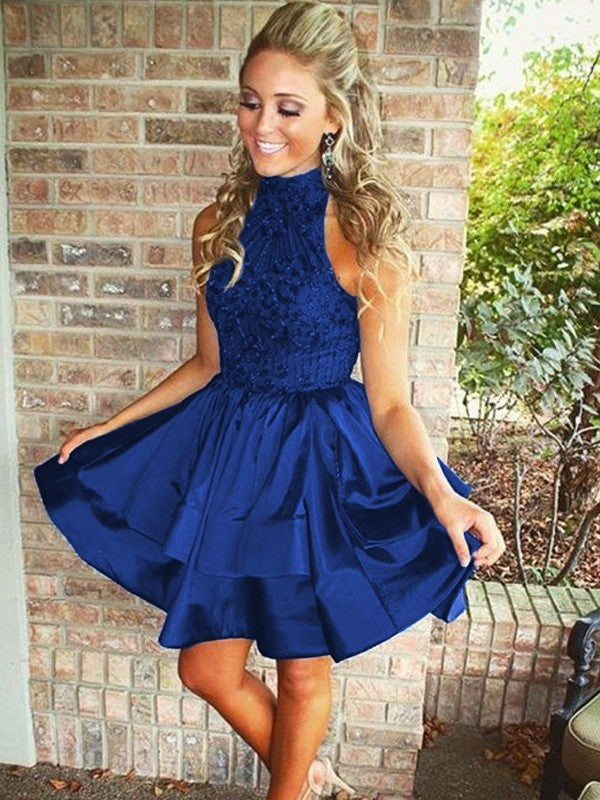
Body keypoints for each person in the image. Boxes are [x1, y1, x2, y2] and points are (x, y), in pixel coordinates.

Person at [33, 2, 506, 799]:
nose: (262, 125)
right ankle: (309, 774)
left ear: (332, 118)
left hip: (316, 468)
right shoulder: (215, 224)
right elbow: (208, 363)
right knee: (206, 668)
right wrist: (113, 424)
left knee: (301, 666)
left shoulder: (365, 240)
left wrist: (442, 495)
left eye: (288, 107)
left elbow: (391, 404)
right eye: (252, 102)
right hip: (232, 459)